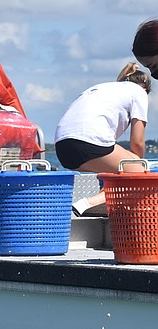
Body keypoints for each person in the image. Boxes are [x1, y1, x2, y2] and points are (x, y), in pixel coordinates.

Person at [54, 63, 151, 216]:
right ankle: (86, 204)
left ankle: (95, 203)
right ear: (145, 89)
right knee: (138, 174)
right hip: (88, 142)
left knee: (123, 167)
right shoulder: (139, 92)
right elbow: (137, 142)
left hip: (63, 148)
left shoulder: (103, 88)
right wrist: (138, 167)